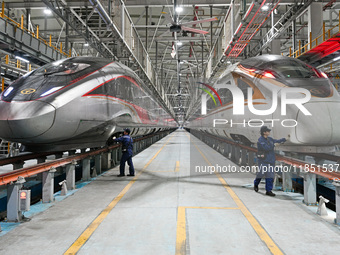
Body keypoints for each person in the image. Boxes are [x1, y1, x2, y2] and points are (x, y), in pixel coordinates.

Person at [254, 126, 286, 196]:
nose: (269, 132)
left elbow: (276, 141)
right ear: (264, 132)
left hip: (271, 161)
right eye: (268, 131)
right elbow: (266, 148)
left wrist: (283, 139)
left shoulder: (270, 139)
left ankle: (268, 191)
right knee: (260, 174)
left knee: (270, 176)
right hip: (263, 161)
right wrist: (273, 145)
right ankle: (256, 184)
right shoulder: (260, 140)